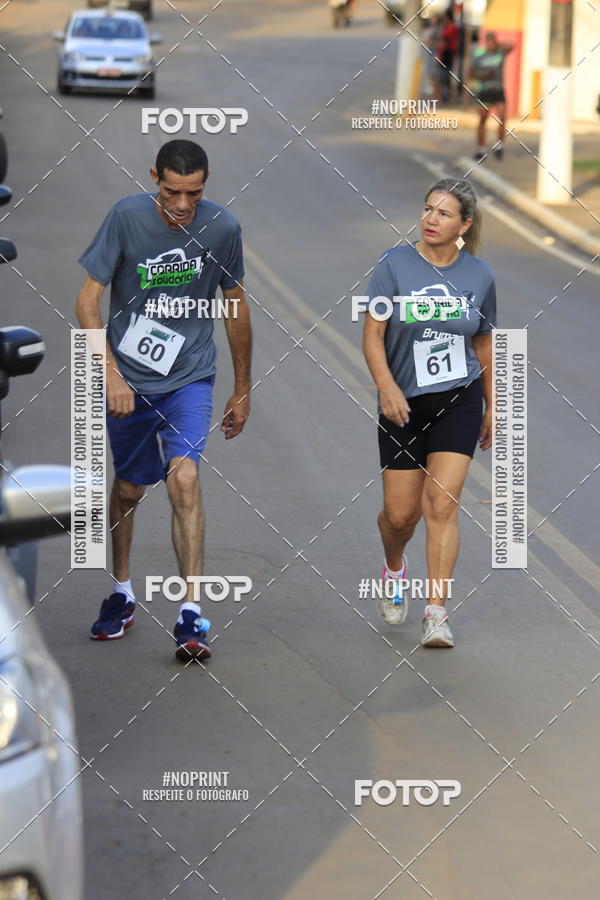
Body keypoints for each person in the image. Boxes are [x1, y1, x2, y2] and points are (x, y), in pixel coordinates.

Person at [76, 139, 252, 662]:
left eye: (193, 193)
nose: (181, 205)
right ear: (155, 177)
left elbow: (235, 306)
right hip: (128, 380)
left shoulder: (222, 228)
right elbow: (87, 302)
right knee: (129, 489)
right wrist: (109, 374)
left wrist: (242, 388)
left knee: (186, 477)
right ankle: (123, 591)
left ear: (206, 182)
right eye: (172, 192)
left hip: (190, 376)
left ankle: (191, 613)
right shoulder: (126, 218)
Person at [362, 178, 495, 648]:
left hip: (458, 398)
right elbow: (373, 334)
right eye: (427, 210)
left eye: (442, 214)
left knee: (441, 504)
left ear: (464, 224)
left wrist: (492, 404)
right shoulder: (394, 265)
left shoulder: (479, 276)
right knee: (400, 517)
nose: (431, 220)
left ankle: (436, 611)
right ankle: (394, 567)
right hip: (403, 404)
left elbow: (482, 341)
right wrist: (386, 387)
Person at [470, 31, 514, 160]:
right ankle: (481, 149)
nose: (490, 44)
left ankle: (499, 147)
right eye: (488, 42)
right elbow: (470, 74)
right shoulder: (479, 57)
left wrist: (497, 45)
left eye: (492, 42)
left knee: (502, 118)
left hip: (498, 91)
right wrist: (483, 76)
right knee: (482, 119)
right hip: (484, 91)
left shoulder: (500, 54)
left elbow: (511, 46)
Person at [438, 10, 459, 104]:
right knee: (446, 77)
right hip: (449, 54)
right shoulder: (451, 28)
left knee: (445, 77)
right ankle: (447, 97)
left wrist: (440, 55)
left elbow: (445, 43)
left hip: (447, 54)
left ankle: (447, 98)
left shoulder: (449, 29)